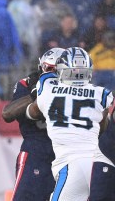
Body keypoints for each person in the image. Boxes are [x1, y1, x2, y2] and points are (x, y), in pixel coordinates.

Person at [26, 47, 114, 201]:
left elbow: (33, 112)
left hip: (73, 164)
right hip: (100, 163)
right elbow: (103, 126)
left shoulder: (48, 89)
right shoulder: (101, 93)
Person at [2, 47, 65, 201]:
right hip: (36, 149)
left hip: (65, 151)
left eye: (57, 70)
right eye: (48, 69)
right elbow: (7, 114)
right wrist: (37, 93)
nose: (51, 73)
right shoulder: (29, 84)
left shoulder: (75, 88)